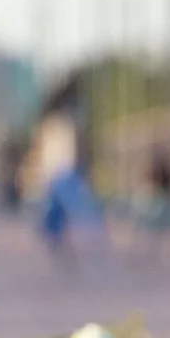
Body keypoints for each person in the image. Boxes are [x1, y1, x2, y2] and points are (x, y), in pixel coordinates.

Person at [28, 77, 103, 256]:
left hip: (62, 172)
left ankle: (69, 239)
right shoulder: (60, 123)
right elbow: (58, 152)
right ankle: (88, 239)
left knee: (64, 210)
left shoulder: (62, 122)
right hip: (62, 172)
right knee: (75, 210)